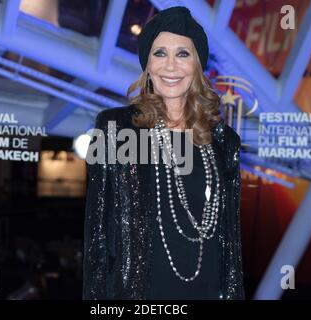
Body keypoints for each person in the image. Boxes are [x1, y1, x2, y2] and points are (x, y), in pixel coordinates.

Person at [83, 6, 243, 300]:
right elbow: (98, 239)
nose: (170, 66)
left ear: (197, 64)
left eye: (182, 53)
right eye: (160, 53)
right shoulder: (114, 128)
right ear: (147, 64)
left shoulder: (224, 142)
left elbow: (230, 247)